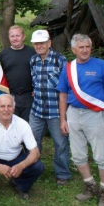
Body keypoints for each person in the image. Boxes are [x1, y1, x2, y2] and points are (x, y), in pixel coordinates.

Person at [57, 34, 104, 206]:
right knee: (77, 155)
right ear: (73, 49)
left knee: (101, 155)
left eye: (87, 47)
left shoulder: (101, 65)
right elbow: (62, 95)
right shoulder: (68, 68)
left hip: (95, 115)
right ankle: (90, 186)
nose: (85, 50)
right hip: (74, 114)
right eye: (81, 47)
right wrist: (63, 119)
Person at [0, 94, 45, 206]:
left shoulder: (23, 124)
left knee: (38, 166)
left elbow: (35, 152)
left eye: (9, 106)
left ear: (13, 108)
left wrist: (21, 165)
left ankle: (19, 184)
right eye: (2, 106)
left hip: (15, 157)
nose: (6, 110)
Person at [29, 30, 71, 185]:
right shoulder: (33, 60)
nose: (39, 46)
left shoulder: (60, 60)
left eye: (42, 43)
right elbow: (35, 83)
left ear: (49, 43)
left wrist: (64, 116)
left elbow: (65, 87)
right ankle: (34, 169)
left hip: (55, 111)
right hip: (37, 110)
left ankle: (62, 174)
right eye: (36, 43)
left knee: (60, 143)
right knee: (33, 141)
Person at [0, 25, 35, 122]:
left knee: (28, 126)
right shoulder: (3, 54)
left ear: (23, 36)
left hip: (29, 96)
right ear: (9, 37)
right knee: (12, 124)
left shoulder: (32, 52)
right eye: (12, 36)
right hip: (10, 95)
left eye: (17, 36)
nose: (15, 38)